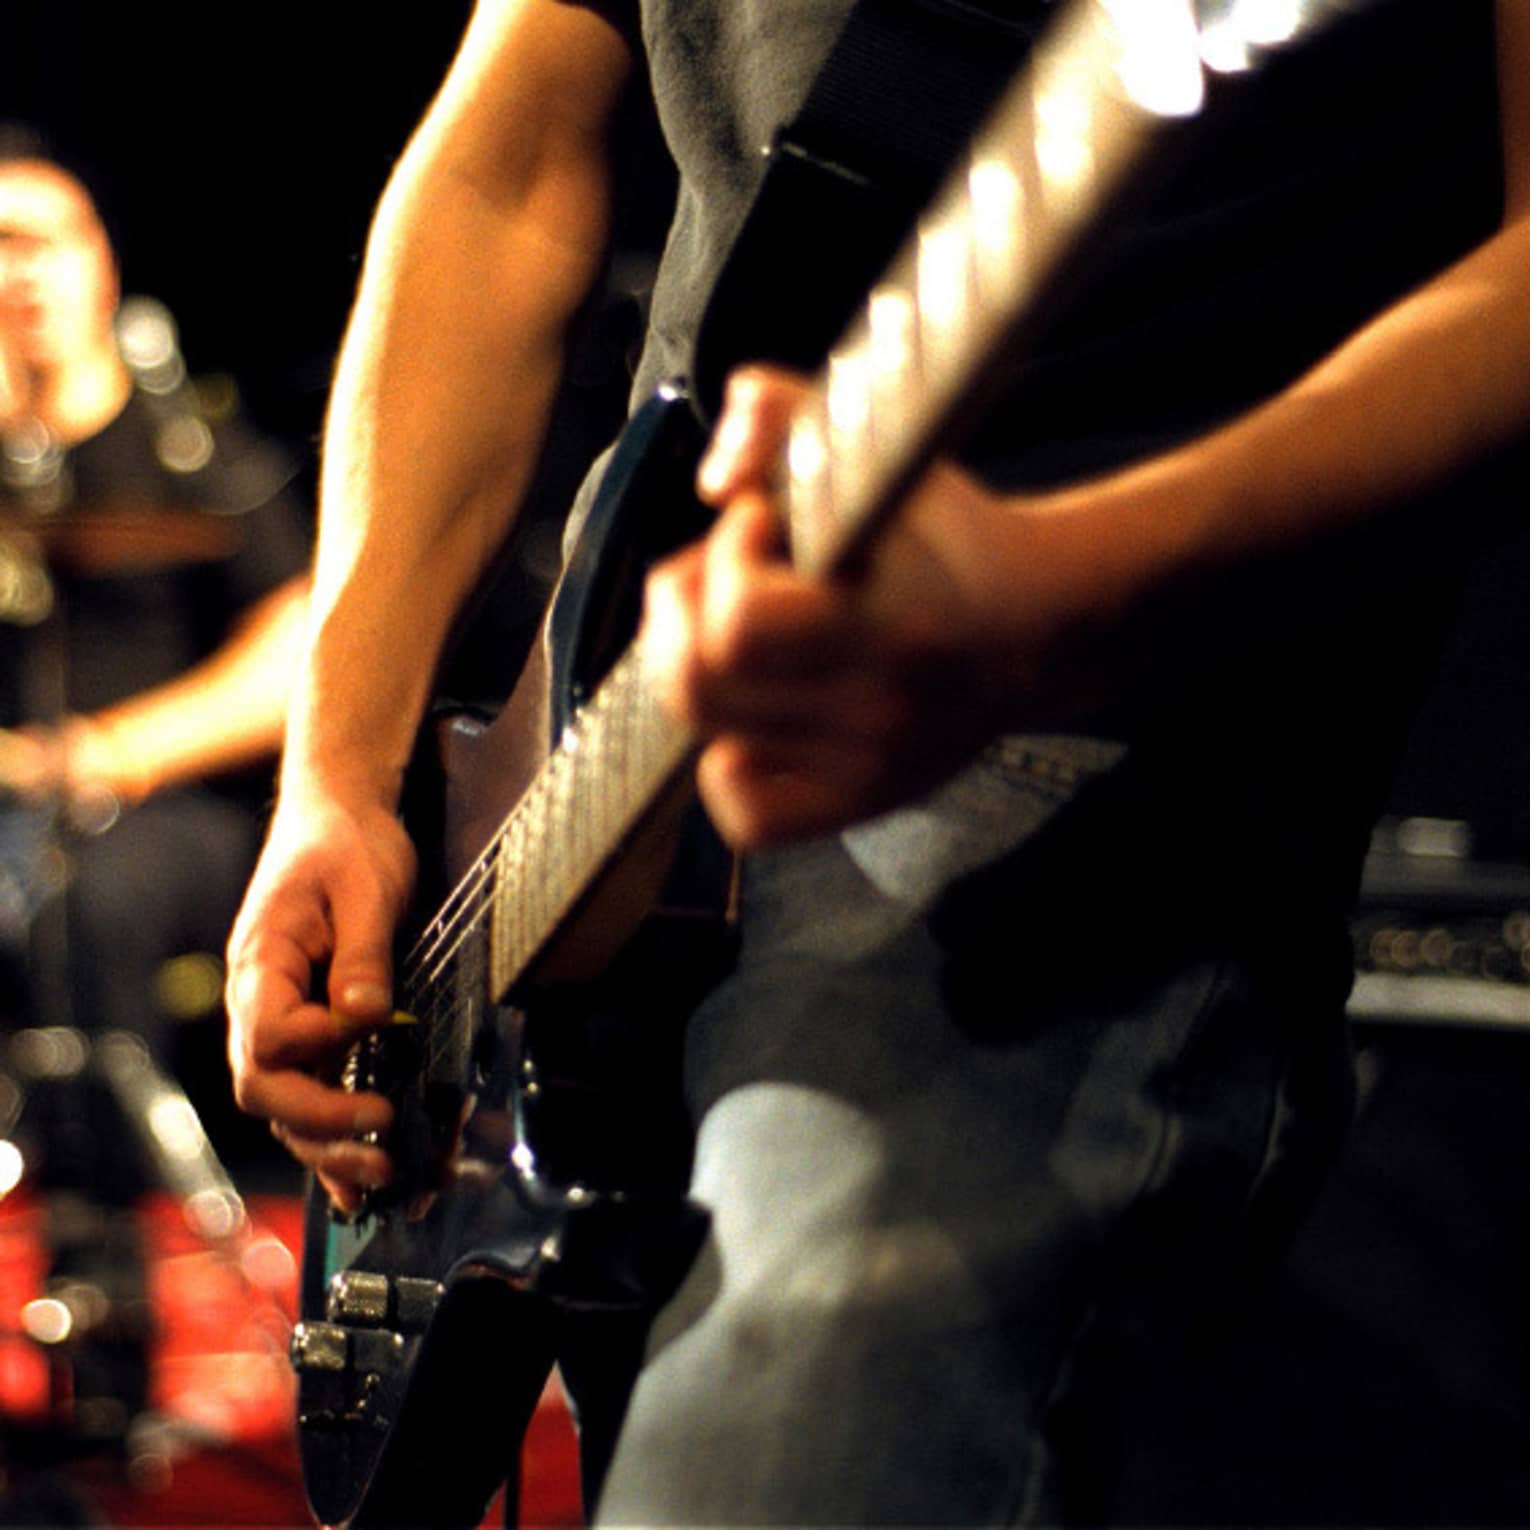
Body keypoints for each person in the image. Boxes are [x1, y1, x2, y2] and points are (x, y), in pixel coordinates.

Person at [225, 0, 1530, 1523]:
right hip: (601, 768)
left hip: (1071, 794)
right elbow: (500, 171)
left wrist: (1055, 586)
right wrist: (338, 766)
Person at [0, 140, 310, 1158]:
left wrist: (97, 754)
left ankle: (101, 1248)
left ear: (103, 267)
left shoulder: (191, 452)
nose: (19, 272)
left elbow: (295, 643)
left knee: (85, 901)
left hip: (166, 816)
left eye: (38, 243)